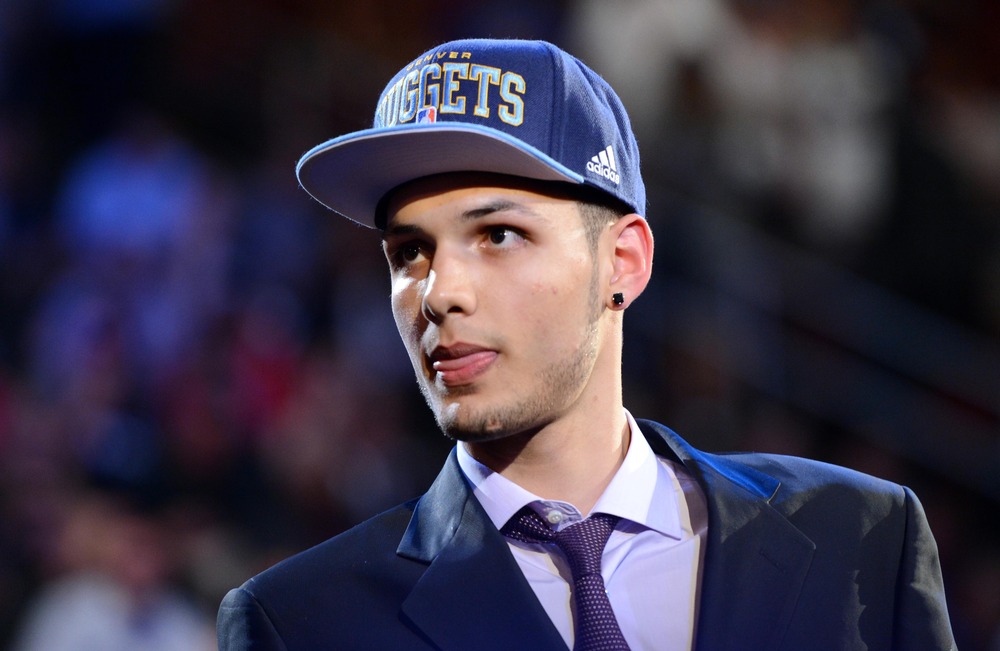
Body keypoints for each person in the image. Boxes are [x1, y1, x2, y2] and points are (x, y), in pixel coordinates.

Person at [216, 38, 956, 650]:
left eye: (497, 234)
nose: (439, 291)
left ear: (623, 262)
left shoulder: (863, 537)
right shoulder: (301, 623)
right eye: (409, 250)